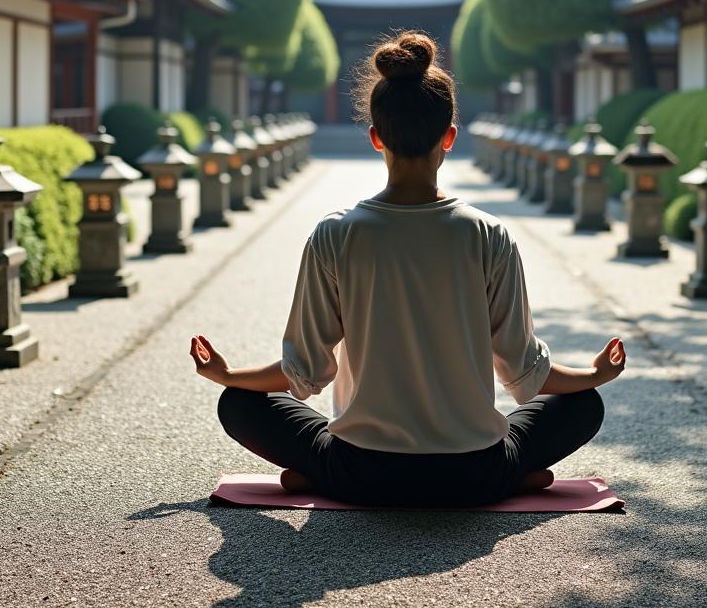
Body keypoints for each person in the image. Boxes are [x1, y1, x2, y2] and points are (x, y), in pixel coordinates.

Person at [190, 31, 626, 508]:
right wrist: (593, 375)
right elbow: (526, 372)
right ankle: (513, 475)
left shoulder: (335, 234)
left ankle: (317, 473)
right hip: (474, 472)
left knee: (240, 402)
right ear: (450, 137)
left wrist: (228, 373)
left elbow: (305, 372)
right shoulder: (488, 235)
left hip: (362, 471)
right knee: (581, 405)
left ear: (376, 137)